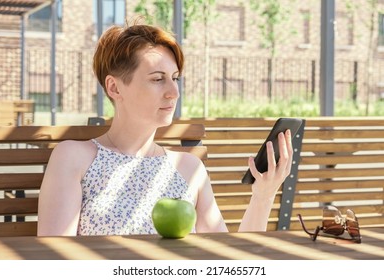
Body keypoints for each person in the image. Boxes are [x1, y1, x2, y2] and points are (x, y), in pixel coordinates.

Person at [37, 22, 293, 236]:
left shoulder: (189, 168)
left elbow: (228, 259)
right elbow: (54, 260)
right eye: (158, 79)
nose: (174, 92)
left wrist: (263, 195)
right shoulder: (74, 158)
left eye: (175, 78)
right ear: (115, 88)